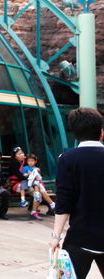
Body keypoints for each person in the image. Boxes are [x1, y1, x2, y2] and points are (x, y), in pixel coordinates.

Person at [48, 107, 104, 278]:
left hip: (80, 239)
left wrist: (56, 236)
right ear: (101, 132)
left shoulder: (67, 159)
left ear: (75, 133)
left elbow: (64, 201)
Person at [9, 146, 42, 220]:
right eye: (19, 154)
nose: (21, 155)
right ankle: (25, 202)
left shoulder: (25, 163)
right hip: (17, 184)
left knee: (38, 194)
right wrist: (30, 176)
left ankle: (33, 211)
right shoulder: (14, 165)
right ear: (15, 156)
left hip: (28, 183)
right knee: (36, 192)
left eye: (22, 153)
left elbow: (36, 166)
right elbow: (20, 177)